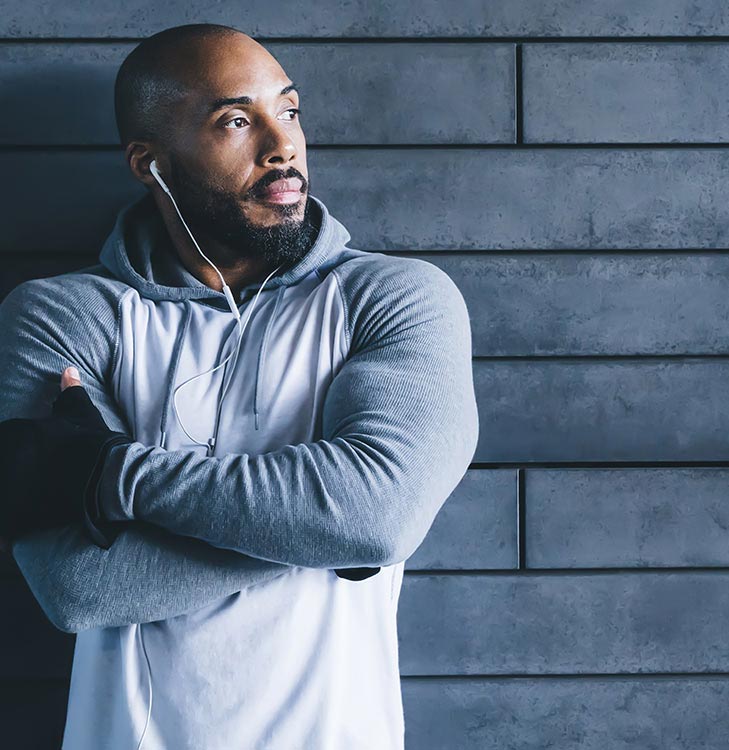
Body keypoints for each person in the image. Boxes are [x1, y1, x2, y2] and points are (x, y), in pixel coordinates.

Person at [0, 23, 479, 749]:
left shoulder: (392, 297)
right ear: (149, 162)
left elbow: (379, 518)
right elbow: (79, 588)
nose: (281, 145)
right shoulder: (66, 317)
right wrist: (323, 523)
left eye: (288, 111)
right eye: (235, 120)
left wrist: (109, 474)